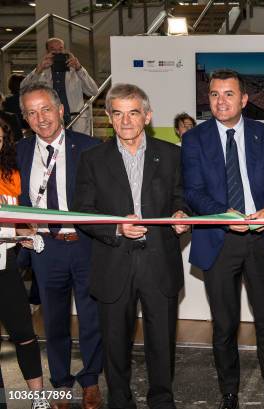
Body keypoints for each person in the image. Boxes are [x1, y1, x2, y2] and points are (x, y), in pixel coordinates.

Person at [72, 83, 189, 409]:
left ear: (147, 116)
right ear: (109, 117)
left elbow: (182, 197)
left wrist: (182, 214)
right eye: (118, 113)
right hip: (113, 263)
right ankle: (120, 401)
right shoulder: (92, 159)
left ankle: (162, 401)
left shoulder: (171, 155)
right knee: (114, 344)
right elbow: (82, 212)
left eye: (133, 112)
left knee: (161, 344)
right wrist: (117, 227)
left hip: (159, 263)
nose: (126, 121)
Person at [181, 69, 264, 409]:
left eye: (229, 94)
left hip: (259, 238)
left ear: (244, 99)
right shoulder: (195, 139)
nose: (220, 101)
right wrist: (225, 215)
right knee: (224, 324)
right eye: (214, 94)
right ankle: (229, 391)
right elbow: (193, 192)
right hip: (218, 239)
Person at [16, 82, 103, 409]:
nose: (41, 118)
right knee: (53, 321)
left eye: (46, 109)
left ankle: (91, 380)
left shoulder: (91, 147)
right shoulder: (21, 152)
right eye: (32, 113)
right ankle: (61, 383)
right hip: (45, 249)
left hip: (85, 245)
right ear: (25, 119)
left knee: (92, 317)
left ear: (61, 110)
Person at [0, 117, 51, 409]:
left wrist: (28, 234)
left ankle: (39, 398)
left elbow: (17, 220)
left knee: (24, 333)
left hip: (5, 264)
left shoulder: (11, 174)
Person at [21, 38, 98, 135]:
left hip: (75, 120)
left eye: (60, 49)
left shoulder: (76, 71)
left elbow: (93, 91)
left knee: (79, 148)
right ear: (47, 52)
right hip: (51, 120)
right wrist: (39, 69)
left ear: (65, 50)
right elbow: (23, 89)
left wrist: (79, 68)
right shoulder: (42, 72)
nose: (57, 52)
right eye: (53, 50)